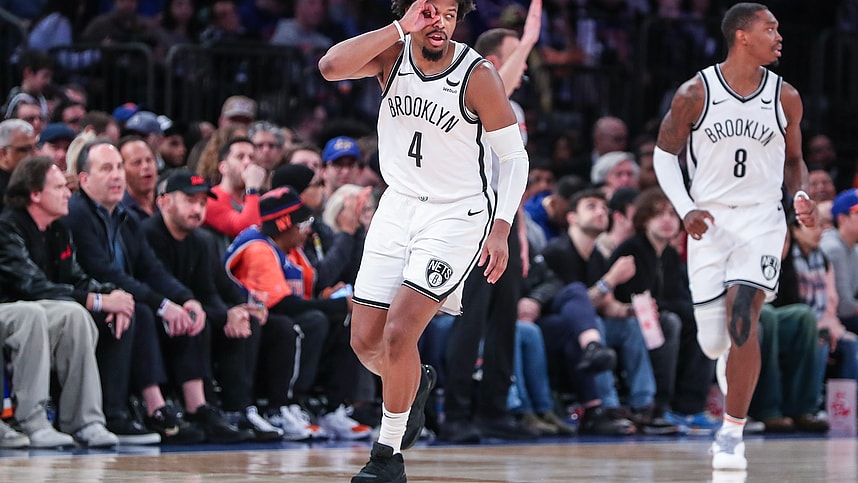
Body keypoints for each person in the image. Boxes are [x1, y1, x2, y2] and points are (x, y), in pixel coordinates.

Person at [318, 0, 529, 480]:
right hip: (398, 206)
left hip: (457, 215)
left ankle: (386, 457)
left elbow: (514, 160)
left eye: (450, 15)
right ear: (410, 12)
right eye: (430, 12)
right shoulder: (391, 56)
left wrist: (501, 228)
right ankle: (412, 384)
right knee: (364, 340)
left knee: (398, 334)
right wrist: (397, 28)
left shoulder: (477, 75)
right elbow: (330, 66)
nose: (441, 23)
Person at [653, 2, 815, 471]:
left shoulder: (786, 97)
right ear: (742, 36)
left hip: (762, 221)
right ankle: (730, 378)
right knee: (713, 341)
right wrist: (686, 209)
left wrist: (800, 193)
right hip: (711, 222)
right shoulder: (694, 93)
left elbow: (793, 160)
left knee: (744, 314)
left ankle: (731, 431)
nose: (779, 36)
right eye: (771, 28)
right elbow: (665, 155)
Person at [0, 156, 126, 448]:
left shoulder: (58, 230)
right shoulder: (8, 227)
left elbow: (78, 279)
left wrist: (115, 296)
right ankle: (31, 420)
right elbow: (31, 286)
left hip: (37, 309)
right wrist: (98, 301)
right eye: (58, 188)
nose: (68, 193)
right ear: (34, 194)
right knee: (32, 313)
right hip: (12, 307)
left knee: (74, 315)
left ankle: (84, 421)